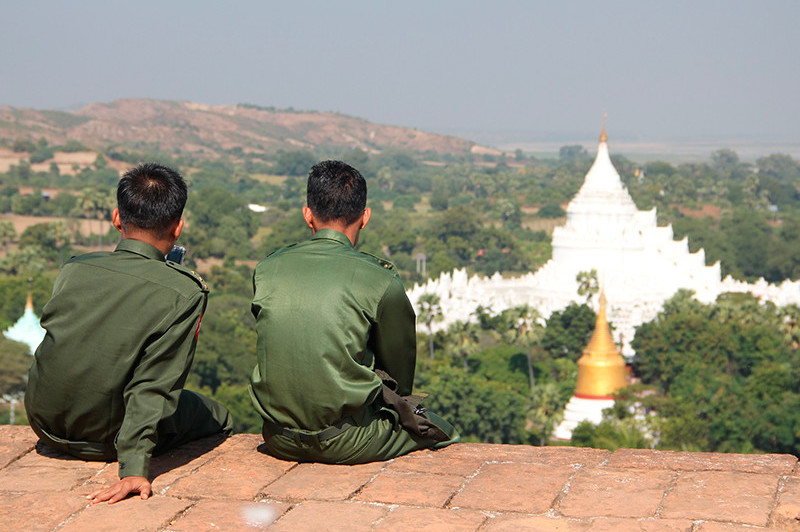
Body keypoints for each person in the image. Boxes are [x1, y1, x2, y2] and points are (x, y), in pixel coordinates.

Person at [25, 163, 233, 504]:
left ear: (117, 218)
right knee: (218, 416)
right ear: (178, 228)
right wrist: (134, 468)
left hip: (43, 424)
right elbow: (153, 385)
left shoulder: (74, 268)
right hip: (103, 438)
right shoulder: (184, 292)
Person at [249, 160, 459, 464]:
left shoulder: (267, 269)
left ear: (307, 215)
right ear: (365, 217)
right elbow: (399, 377)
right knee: (442, 429)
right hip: (347, 441)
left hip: (277, 437)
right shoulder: (380, 279)